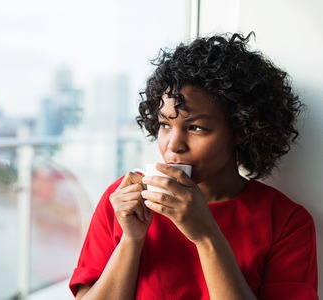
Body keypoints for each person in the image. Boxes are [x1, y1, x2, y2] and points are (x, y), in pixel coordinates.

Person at [69, 32, 318, 299]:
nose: (173, 145)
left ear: (242, 129)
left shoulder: (285, 221)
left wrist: (206, 235)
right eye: (165, 124)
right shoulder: (122, 200)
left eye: (196, 127)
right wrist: (131, 241)